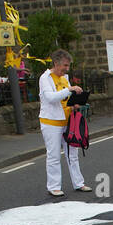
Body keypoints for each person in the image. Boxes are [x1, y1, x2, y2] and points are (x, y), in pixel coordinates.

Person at [38, 48, 90, 196]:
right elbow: (50, 98)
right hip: (51, 121)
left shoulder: (64, 78)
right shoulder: (45, 78)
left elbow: (65, 98)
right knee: (54, 155)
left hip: (67, 120)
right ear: (56, 63)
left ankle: (79, 183)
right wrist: (70, 90)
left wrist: (74, 102)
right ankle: (54, 186)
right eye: (64, 65)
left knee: (72, 153)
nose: (66, 69)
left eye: (68, 66)